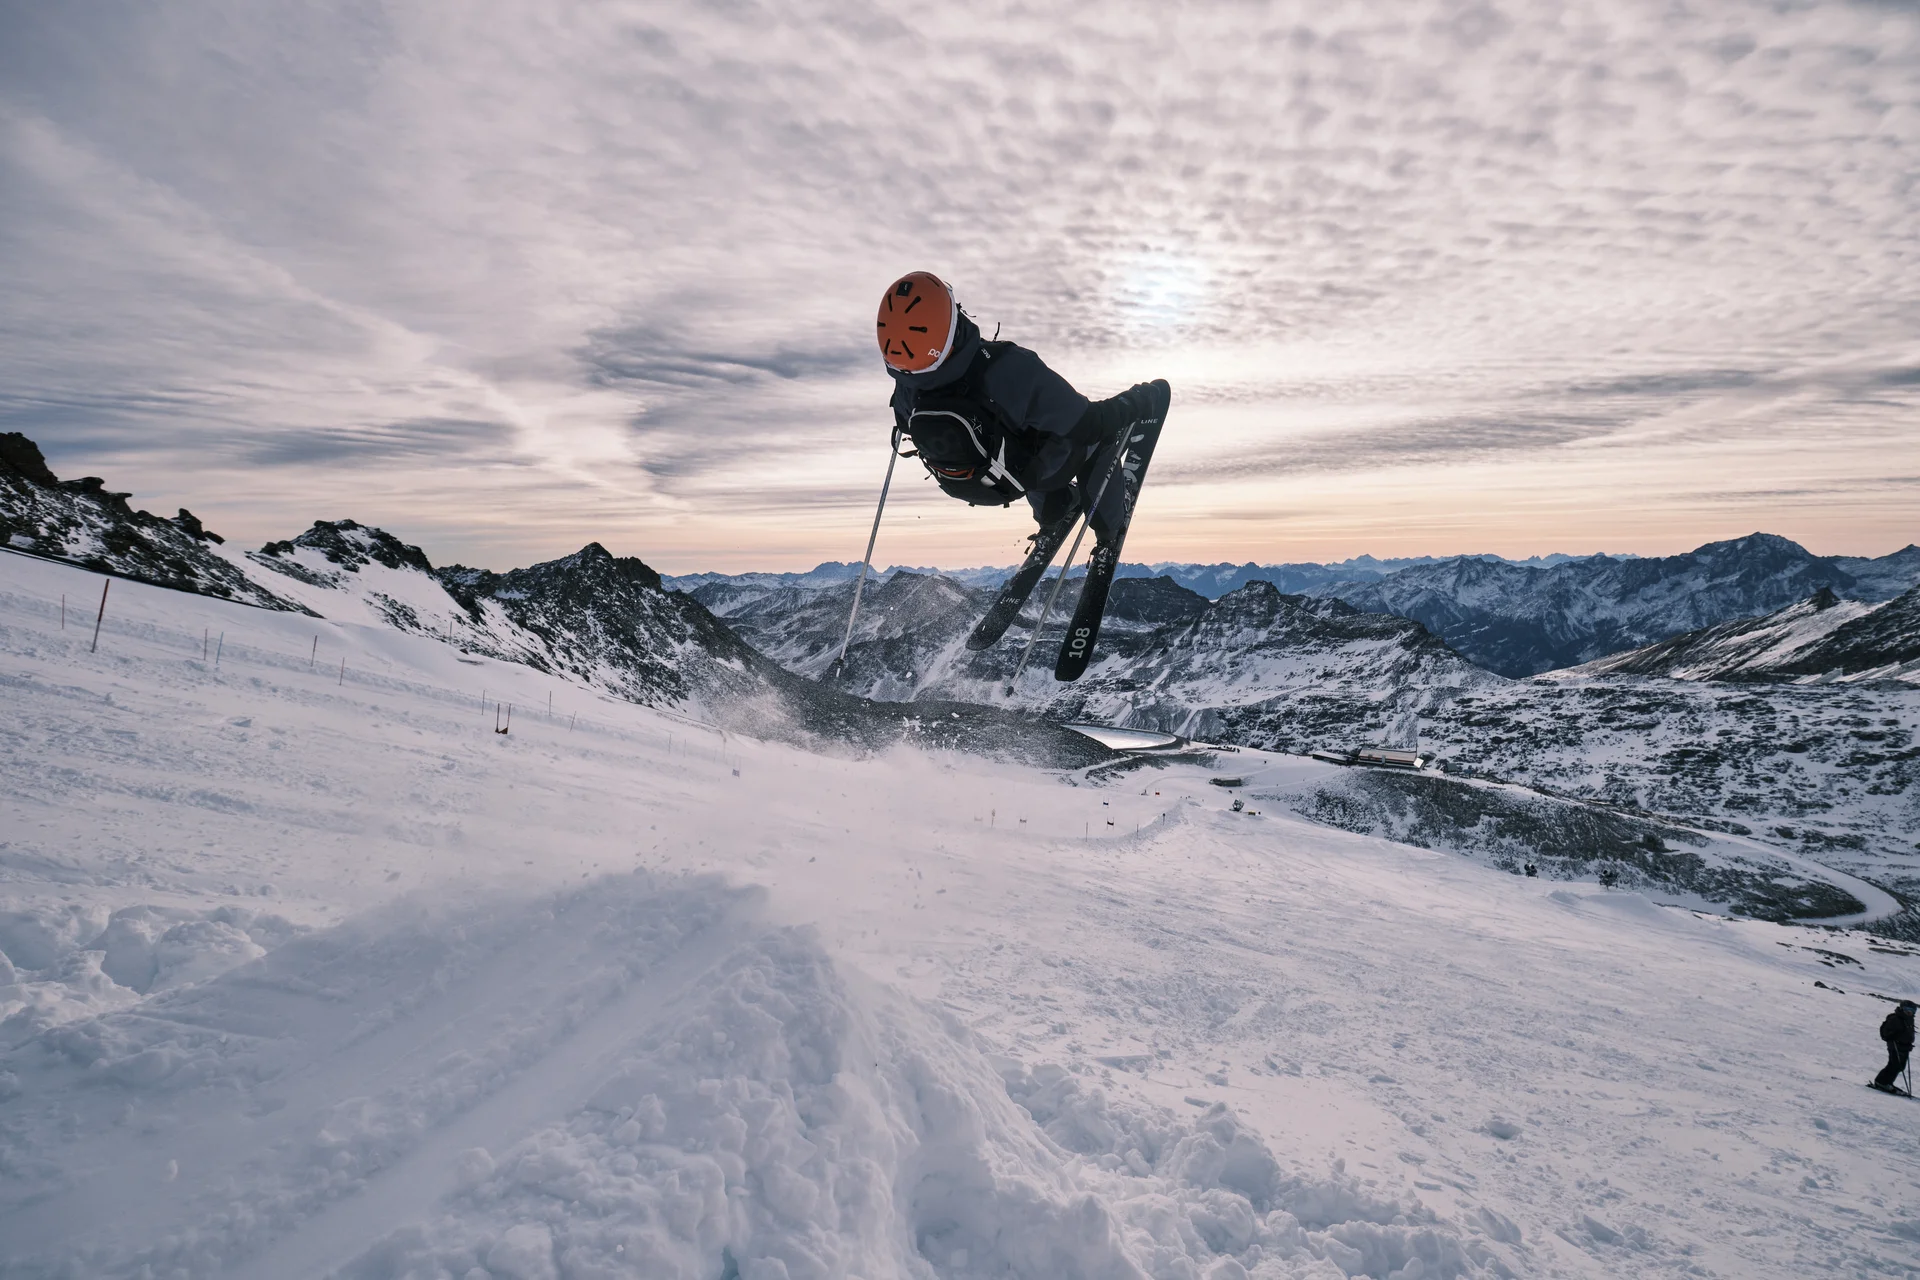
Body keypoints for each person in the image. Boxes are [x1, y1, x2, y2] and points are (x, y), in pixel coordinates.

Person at [876, 271, 1167, 551]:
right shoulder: (1007, 369)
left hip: (972, 482)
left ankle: (1054, 511)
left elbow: (905, 423)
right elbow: (1088, 423)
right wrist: (1135, 402)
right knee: (1089, 439)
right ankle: (1109, 526)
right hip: (1029, 473)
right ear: (953, 320)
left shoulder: (908, 388)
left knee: (1023, 434)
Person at [1871, 998, 1916, 1095]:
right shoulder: (1895, 1018)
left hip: (1904, 1047)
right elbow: (1886, 1032)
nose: (1910, 1012)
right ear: (1902, 1009)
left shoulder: (1909, 1020)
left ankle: (1887, 1082)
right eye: (1907, 1010)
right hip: (1895, 1045)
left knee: (1900, 1066)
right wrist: (1892, 1036)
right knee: (1894, 1065)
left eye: (1912, 1011)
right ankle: (1881, 1082)